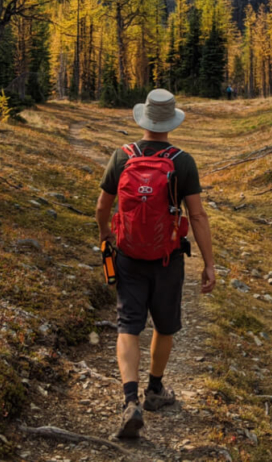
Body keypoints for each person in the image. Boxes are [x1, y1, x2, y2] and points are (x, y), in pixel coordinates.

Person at [95, 89, 216, 440]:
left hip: (128, 255)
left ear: (144, 119)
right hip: (168, 258)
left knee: (128, 326)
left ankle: (129, 399)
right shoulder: (182, 161)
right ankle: (156, 391)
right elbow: (198, 215)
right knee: (164, 326)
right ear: (170, 122)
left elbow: (103, 206)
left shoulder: (122, 156)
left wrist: (106, 235)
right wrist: (209, 264)